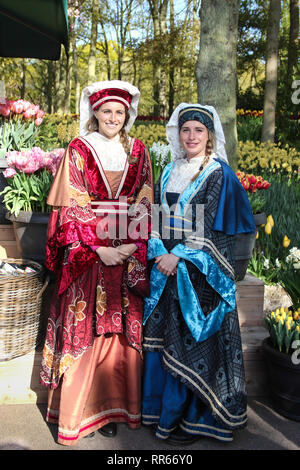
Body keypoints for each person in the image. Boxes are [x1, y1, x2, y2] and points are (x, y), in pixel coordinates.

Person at [40, 80, 153, 446]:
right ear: (95, 113)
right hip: (91, 254)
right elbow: (72, 205)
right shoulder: (79, 148)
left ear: (128, 115)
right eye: (107, 111)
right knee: (87, 325)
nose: (113, 118)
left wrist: (132, 246)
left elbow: (145, 200)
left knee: (119, 331)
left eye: (120, 112)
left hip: (126, 251)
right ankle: (79, 412)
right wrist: (97, 248)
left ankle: (118, 407)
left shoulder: (138, 151)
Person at [141, 103, 256, 445]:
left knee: (189, 343)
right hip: (165, 268)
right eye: (186, 129)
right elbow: (157, 217)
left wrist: (178, 257)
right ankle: (160, 413)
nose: (191, 136)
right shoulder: (168, 170)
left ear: (209, 137)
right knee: (161, 340)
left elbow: (211, 229)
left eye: (199, 131)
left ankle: (191, 419)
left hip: (197, 273)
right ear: (178, 134)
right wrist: (159, 251)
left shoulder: (217, 173)